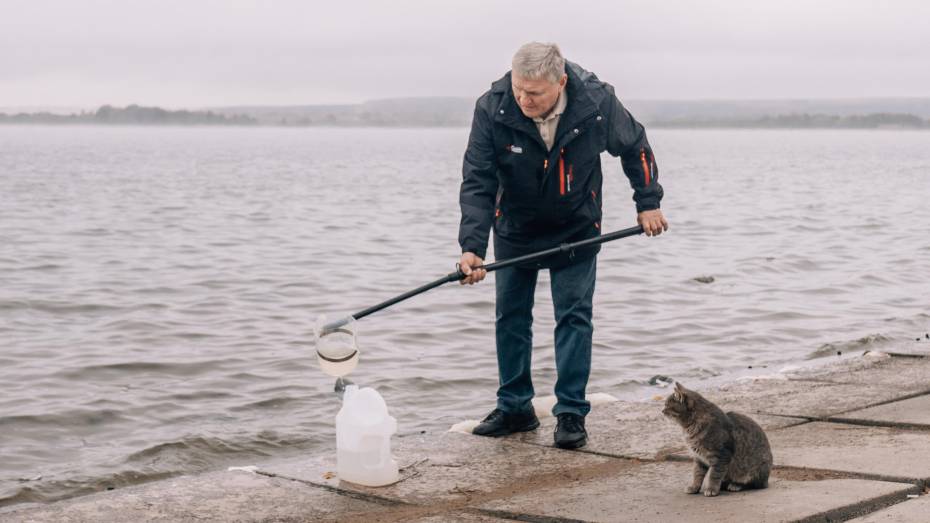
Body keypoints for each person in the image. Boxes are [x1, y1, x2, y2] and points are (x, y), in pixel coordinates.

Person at [457, 42, 668, 449]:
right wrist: (473, 247)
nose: (524, 99)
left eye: (534, 92)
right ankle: (515, 407)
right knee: (511, 318)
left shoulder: (597, 102)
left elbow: (635, 145)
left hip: (576, 224)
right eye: (519, 88)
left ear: (561, 82)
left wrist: (648, 203)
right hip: (515, 227)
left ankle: (571, 412)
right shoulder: (493, 107)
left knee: (573, 317)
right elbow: (478, 179)